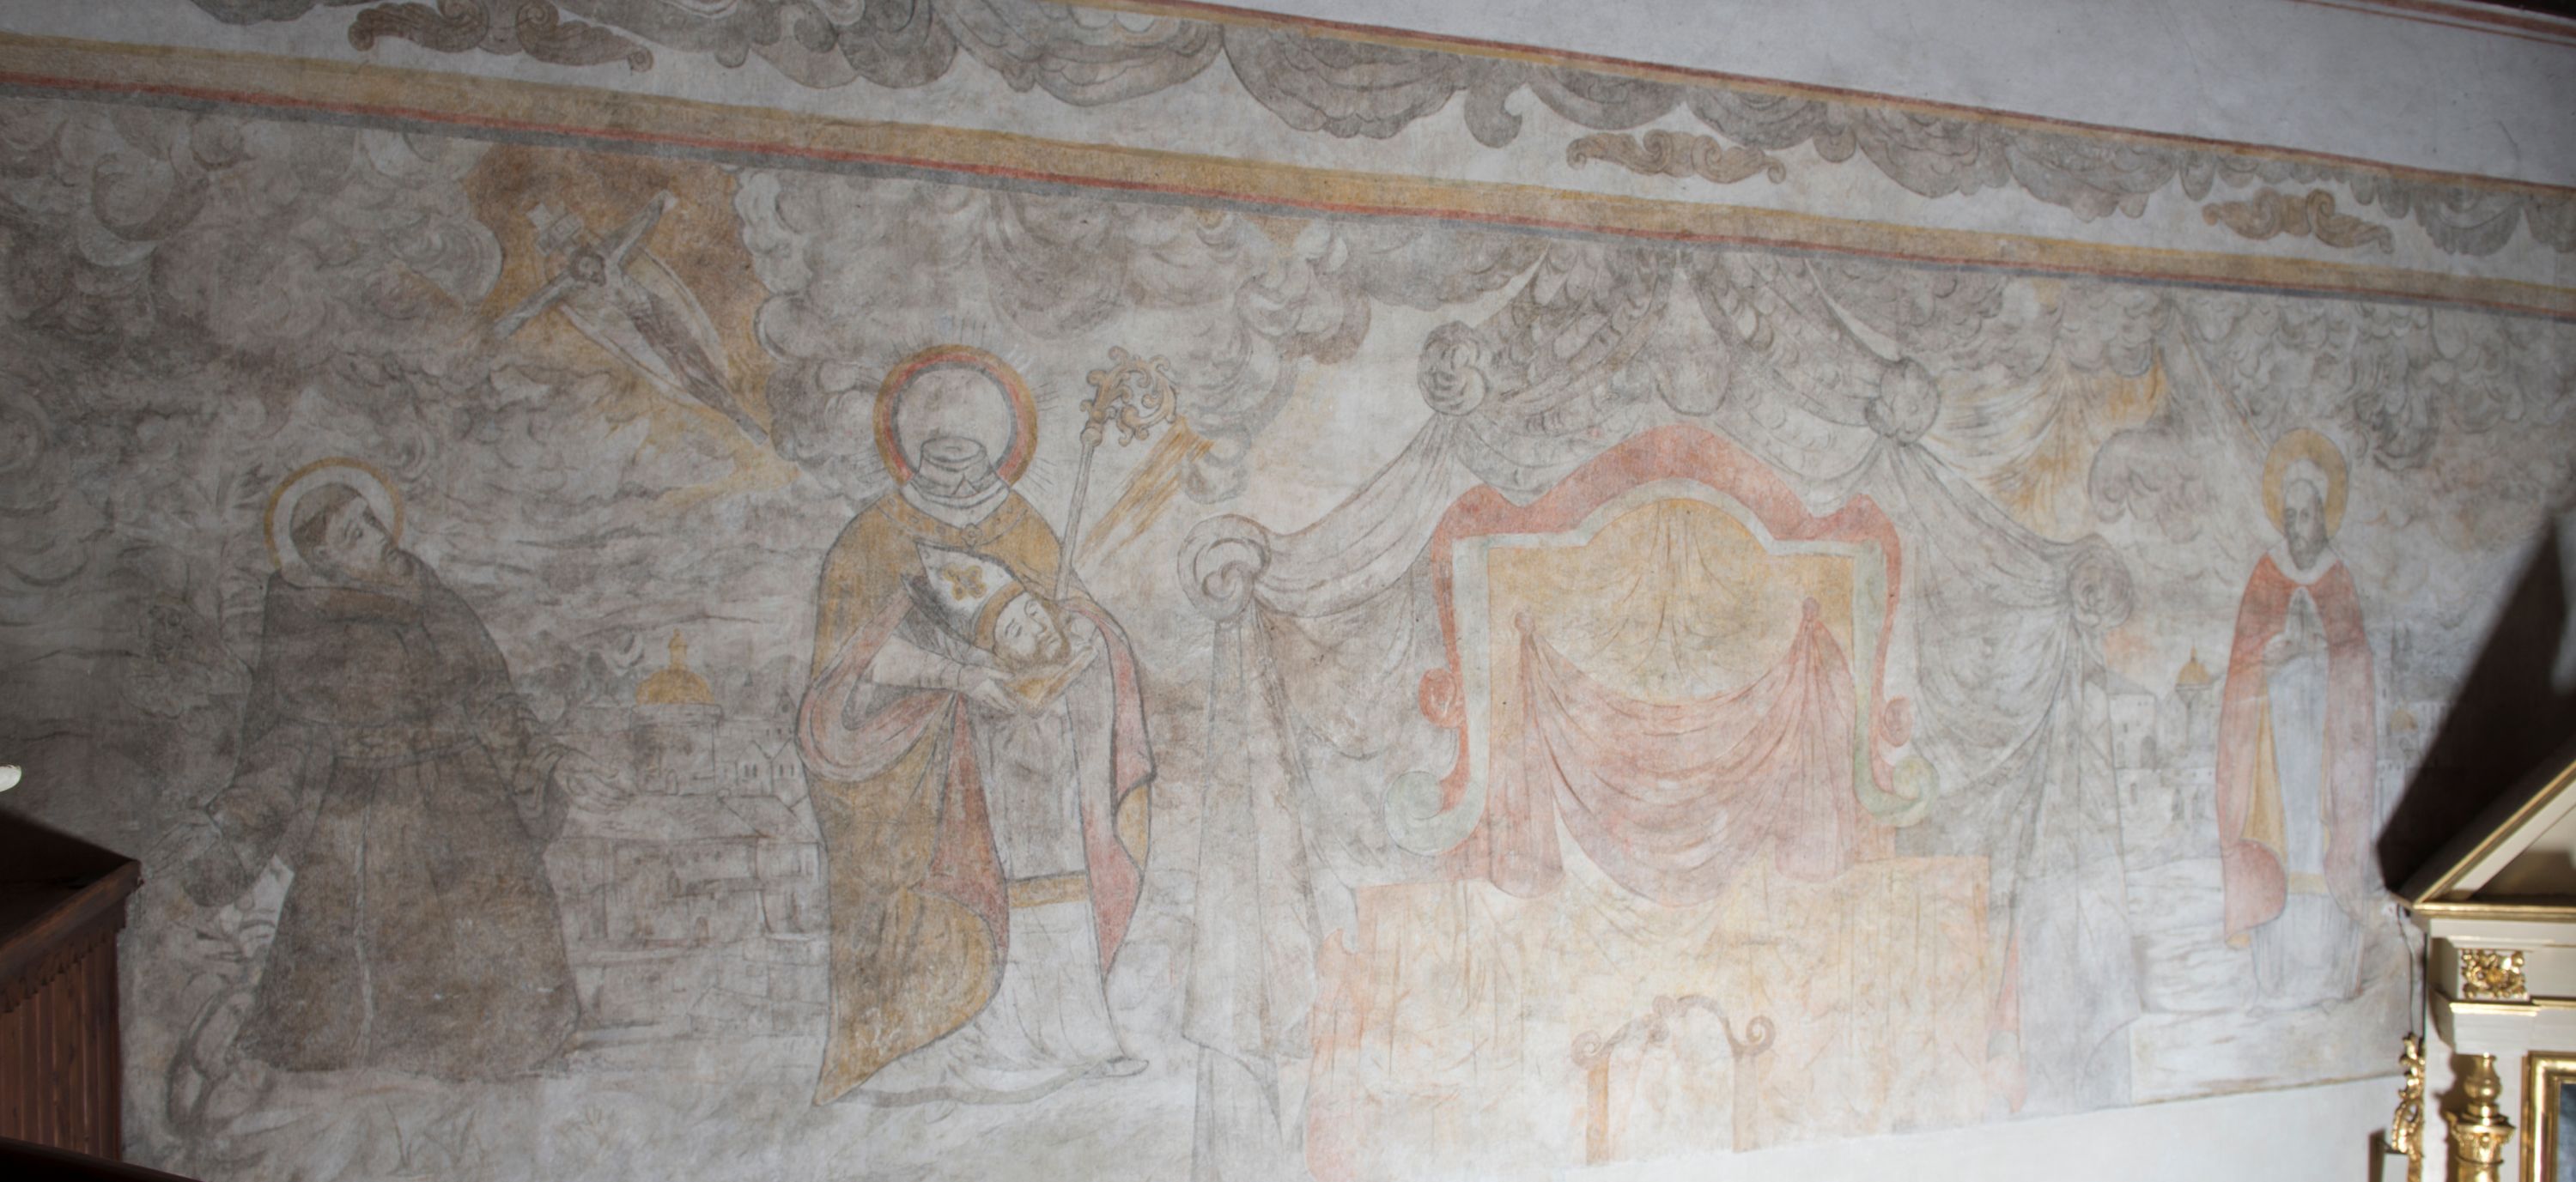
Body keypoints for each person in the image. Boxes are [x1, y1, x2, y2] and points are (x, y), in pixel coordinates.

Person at [799, 355, 1154, 1106]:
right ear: (911, 450)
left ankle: (1073, 1035)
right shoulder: (872, 537)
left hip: (1035, 769)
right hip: (932, 768)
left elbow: (1075, 616)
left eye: (971, 454)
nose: (959, 475)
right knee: (948, 902)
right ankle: (941, 1043)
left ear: (998, 446)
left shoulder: (1021, 523)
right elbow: (849, 667)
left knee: (1054, 892)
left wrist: (1081, 633)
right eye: (941, 454)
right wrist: (962, 677)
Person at [185, 478, 581, 1079]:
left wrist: (547, 760)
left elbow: (489, 696)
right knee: (372, 958)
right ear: (327, 560)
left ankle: (513, 1048)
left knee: (505, 916)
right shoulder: (306, 623)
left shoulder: (429, 594)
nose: (377, 535)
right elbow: (281, 743)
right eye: (355, 533)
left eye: (370, 518)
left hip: (468, 793)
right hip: (371, 808)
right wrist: (229, 823)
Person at [2215, 430, 2375, 1007]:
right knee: (2278, 843)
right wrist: (2273, 652)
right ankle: (2276, 975)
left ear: (2324, 518)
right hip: (2274, 753)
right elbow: (2243, 660)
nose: (2298, 528)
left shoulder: (2338, 579)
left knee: (2319, 849)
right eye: (2290, 517)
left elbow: (2356, 668)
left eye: (2307, 516)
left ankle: (2331, 975)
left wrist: (2324, 653)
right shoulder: (2266, 575)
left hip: (2323, 754)